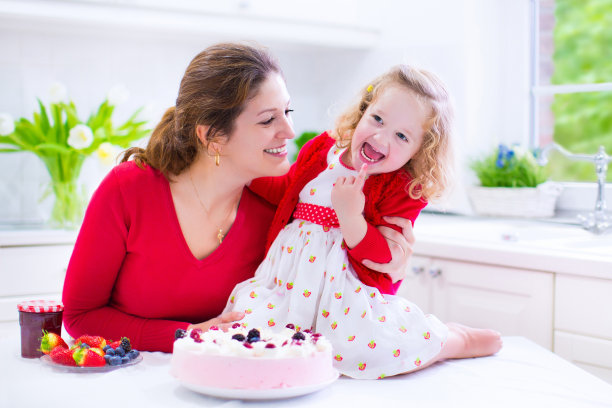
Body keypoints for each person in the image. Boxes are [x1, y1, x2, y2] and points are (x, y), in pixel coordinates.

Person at [61, 43, 415, 353]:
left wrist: (392, 266)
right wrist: (185, 335)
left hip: (238, 381)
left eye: (287, 112)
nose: (290, 131)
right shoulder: (130, 190)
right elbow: (80, 317)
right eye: (267, 120)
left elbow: (339, 299)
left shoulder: (286, 212)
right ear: (213, 135)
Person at [224, 65, 503, 379]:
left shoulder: (402, 188)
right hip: (288, 282)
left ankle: (454, 341)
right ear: (363, 110)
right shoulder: (322, 149)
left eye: (401, 135)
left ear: (420, 150)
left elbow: (384, 257)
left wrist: (350, 216)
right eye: (378, 119)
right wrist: (243, 172)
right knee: (248, 332)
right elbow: (288, 190)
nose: (381, 137)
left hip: (343, 294)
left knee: (369, 351)